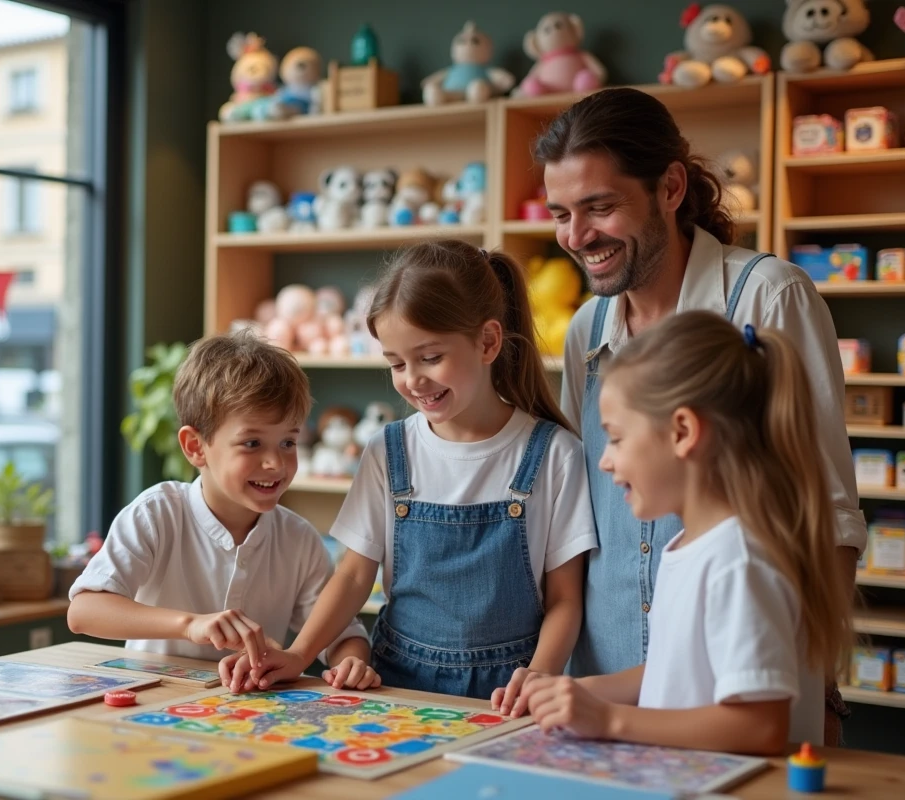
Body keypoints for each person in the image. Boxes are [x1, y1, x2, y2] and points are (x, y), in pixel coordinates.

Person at [536, 87, 864, 742]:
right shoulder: (586, 327)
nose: (577, 236)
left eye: (600, 207)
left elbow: (826, 506)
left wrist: (822, 682)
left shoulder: (768, 296)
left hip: (746, 683)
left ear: (671, 187)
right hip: (615, 667)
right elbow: (582, 504)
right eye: (561, 213)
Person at [237, 240, 598, 706]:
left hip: (509, 693)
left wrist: (538, 679)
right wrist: (299, 651)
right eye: (396, 363)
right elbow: (351, 576)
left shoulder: (556, 455)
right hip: (395, 684)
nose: (413, 380)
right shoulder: (389, 451)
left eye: (430, 358)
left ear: (488, 341)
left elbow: (566, 599)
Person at [519, 311, 852, 754]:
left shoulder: (740, 560)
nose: (604, 461)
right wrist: (579, 690)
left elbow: (760, 726)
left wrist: (609, 719)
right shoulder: (692, 546)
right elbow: (670, 671)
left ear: (682, 432)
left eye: (616, 439)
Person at [66, 331, 378, 691]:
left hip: (249, 718)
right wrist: (190, 625)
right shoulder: (157, 513)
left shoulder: (298, 538)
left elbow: (343, 634)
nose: (275, 462)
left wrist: (351, 661)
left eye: (288, 442)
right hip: (153, 709)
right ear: (195, 447)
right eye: (252, 443)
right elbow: (84, 611)